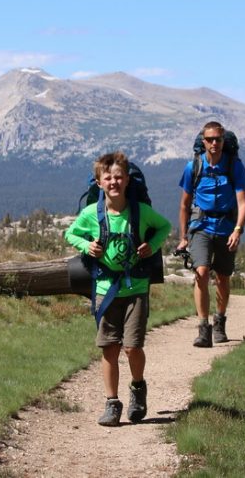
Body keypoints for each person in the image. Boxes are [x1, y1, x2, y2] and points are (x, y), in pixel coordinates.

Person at [65, 151, 171, 426]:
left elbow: (164, 227)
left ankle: (137, 388)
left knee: (132, 347)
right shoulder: (91, 214)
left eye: (118, 177)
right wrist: (86, 246)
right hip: (105, 289)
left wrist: (152, 247)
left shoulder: (140, 212)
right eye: (108, 178)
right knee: (109, 348)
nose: (113, 182)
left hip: (136, 288)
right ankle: (112, 403)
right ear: (99, 182)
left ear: (126, 181)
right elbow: (70, 233)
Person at [177, 121, 245, 348]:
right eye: (209, 139)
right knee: (200, 273)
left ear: (223, 140)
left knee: (223, 277)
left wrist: (238, 229)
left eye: (218, 139)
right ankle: (203, 328)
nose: (214, 143)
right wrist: (183, 237)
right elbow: (184, 205)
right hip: (201, 226)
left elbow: (243, 203)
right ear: (203, 141)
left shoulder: (234, 166)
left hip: (227, 227)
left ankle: (219, 320)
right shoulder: (193, 167)